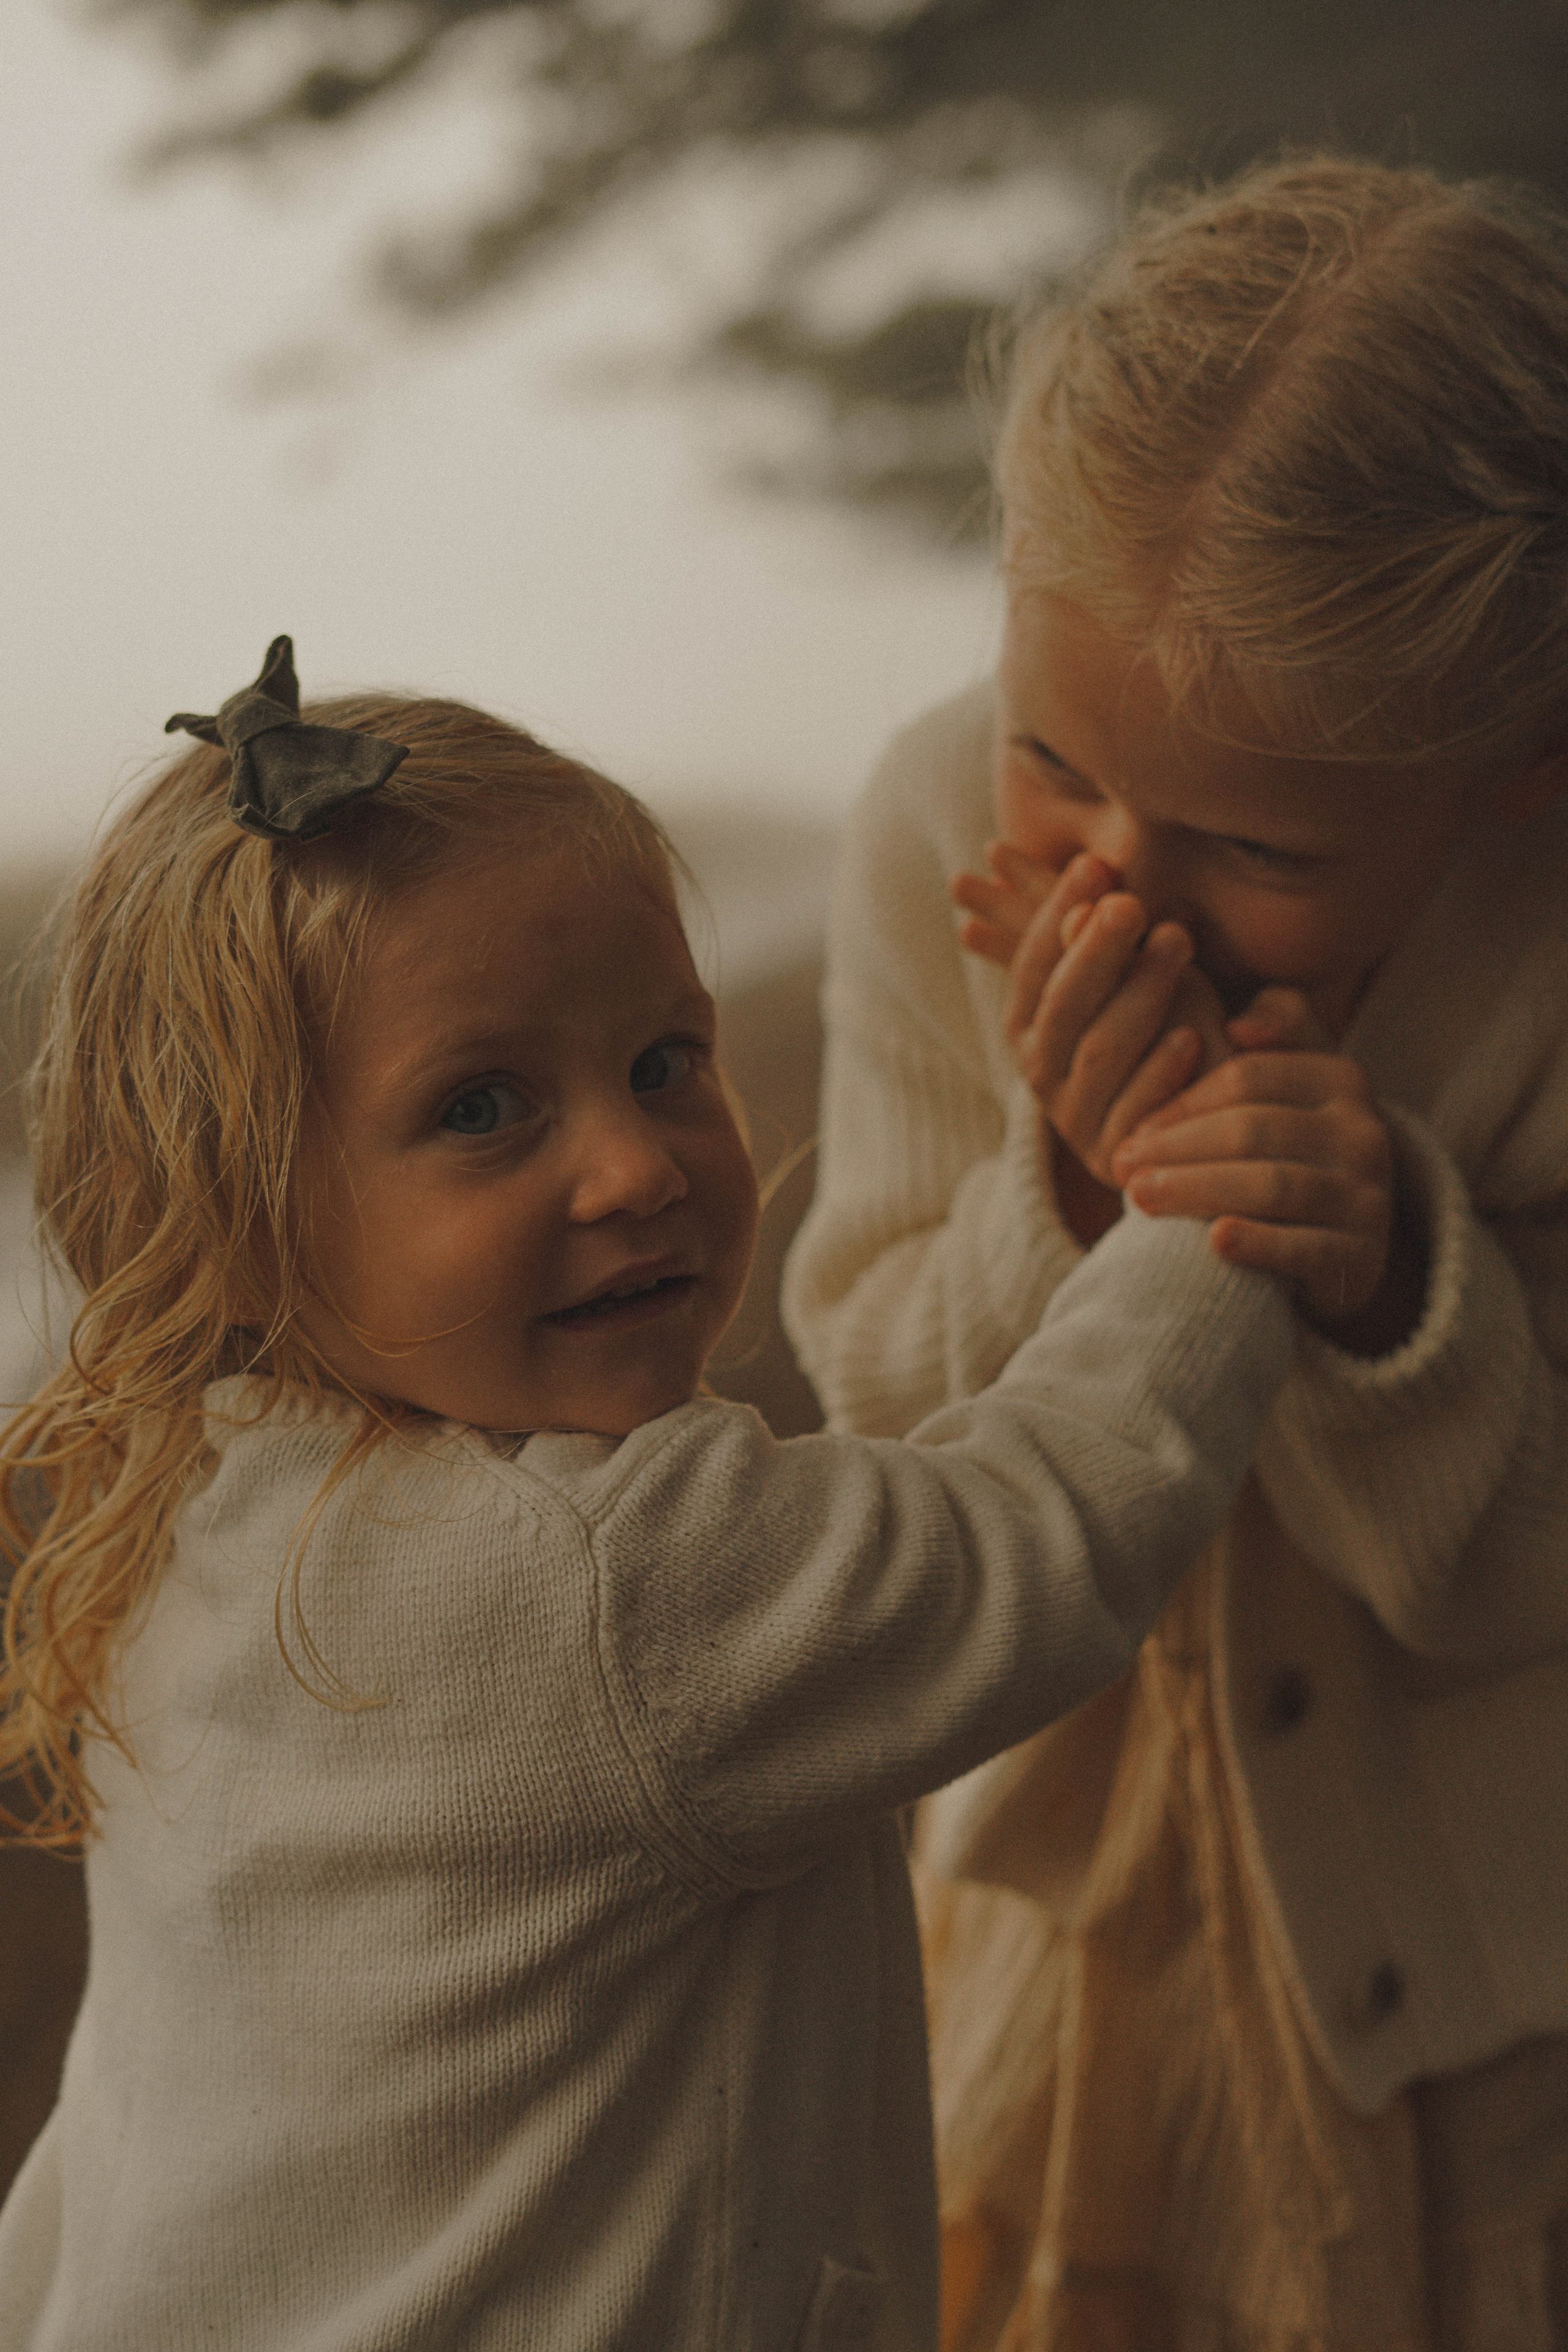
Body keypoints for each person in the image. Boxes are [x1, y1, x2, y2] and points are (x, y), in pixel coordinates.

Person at [0, 638, 1292, 2352]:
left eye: (667, 1059)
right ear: (241, 1221)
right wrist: (1210, 1225)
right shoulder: (604, 1577)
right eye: (483, 1108)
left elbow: (135, 2111)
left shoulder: (193, 1512)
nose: (632, 1164)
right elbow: (1040, 1531)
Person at [782, 154, 1568, 2352]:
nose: (1124, 885)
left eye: (1256, 843)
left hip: (1513, 2013)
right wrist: (1070, 1200)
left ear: (1521, 762)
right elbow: (898, 1448)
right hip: (1080, 1946)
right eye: (1062, 762)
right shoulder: (938, 828)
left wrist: (1397, 1280)